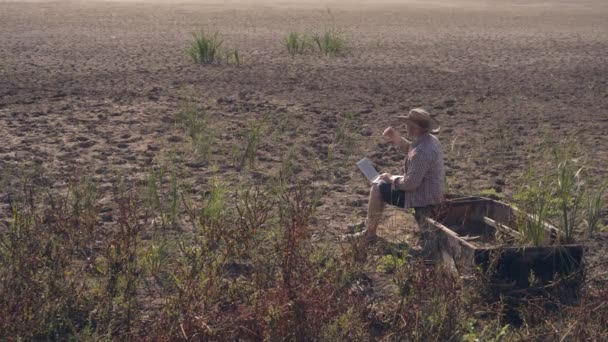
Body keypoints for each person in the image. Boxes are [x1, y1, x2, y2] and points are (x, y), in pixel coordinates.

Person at [344, 108, 445, 244]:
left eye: (407, 125)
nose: (405, 127)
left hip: (423, 196)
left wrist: (391, 178)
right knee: (380, 181)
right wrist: (396, 138)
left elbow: (410, 185)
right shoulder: (430, 140)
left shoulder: (422, 152)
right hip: (427, 188)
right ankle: (369, 222)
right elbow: (412, 150)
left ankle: (369, 234)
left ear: (414, 127)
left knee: (378, 187)